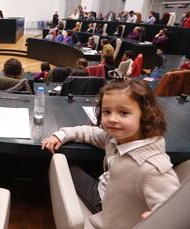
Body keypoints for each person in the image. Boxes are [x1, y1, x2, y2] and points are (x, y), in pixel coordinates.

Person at [41, 79, 180, 228]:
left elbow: (175, 211)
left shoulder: (154, 170)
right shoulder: (115, 137)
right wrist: (61, 135)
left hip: (103, 203)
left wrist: (161, 219)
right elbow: (91, 132)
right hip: (110, 190)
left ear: (146, 115)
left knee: (66, 165)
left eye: (123, 113)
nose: (112, 119)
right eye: (107, 112)